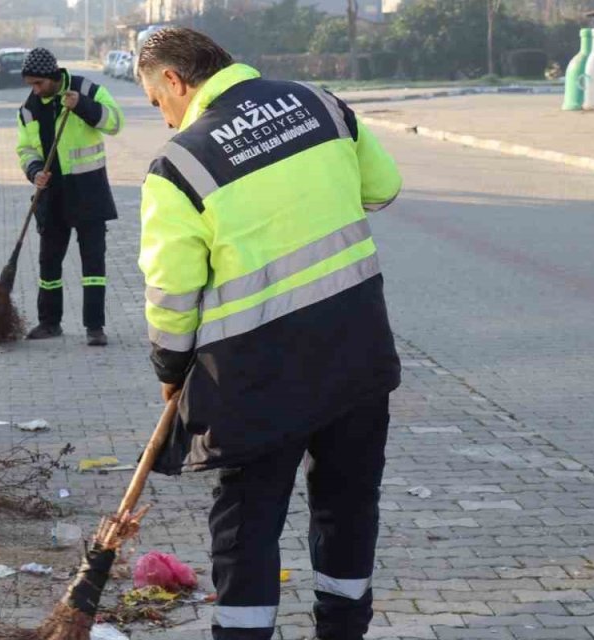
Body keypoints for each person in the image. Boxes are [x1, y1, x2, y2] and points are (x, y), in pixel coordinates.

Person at [135, 28, 403, 640]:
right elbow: (383, 189)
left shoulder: (179, 166)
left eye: (157, 103)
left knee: (247, 524)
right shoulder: (321, 104)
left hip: (257, 379)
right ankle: (343, 630)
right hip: (356, 355)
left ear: (175, 81)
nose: (163, 117)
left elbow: (172, 297)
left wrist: (170, 371)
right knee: (347, 505)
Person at [16, 47, 124, 346]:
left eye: (38, 83)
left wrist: (83, 106)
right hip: (52, 197)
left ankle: (94, 327)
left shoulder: (85, 89)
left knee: (93, 265)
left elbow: (115, 122)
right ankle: (49, 323)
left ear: (52, 76)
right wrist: (35, 171)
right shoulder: (28, 109)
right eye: (31, 85)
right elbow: (25, 149)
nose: (35, 90)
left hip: (89, 191)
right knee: (48, 263)